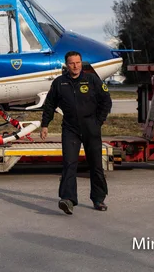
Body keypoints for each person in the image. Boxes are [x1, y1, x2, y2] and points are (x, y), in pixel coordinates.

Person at [40, 50, 112, 215]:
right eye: (72, 63)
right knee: (69, 164)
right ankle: (68, 199)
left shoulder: (92, 79)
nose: (75, 66)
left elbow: (106, 100)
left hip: (91, 128)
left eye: (78, 62)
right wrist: (45, 125)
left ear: (81, 63)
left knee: (95, 165)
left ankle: (98, 199)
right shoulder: (60, 83)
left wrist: (98, 121)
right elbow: (50, 104)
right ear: (67, 65)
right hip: (70, 128)